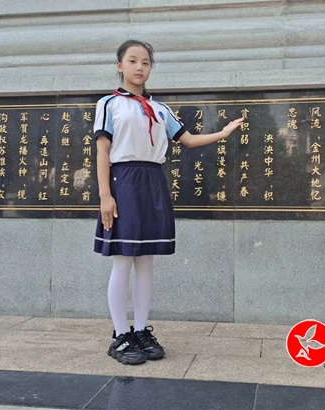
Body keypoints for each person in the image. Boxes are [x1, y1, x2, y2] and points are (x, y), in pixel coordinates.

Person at [93, 40, 243, 365]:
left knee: (146, 260)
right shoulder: (109, 104)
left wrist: (223, 133)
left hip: (153, 181)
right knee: (123, 260)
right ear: (119, 66)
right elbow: (103, 150)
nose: (139, 67)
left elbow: (188, 140)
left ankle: (141, 331)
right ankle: (120, 336)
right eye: (132, 61)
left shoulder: (161, 109)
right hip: (124, 181)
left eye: (145, 62)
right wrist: (106, 195)